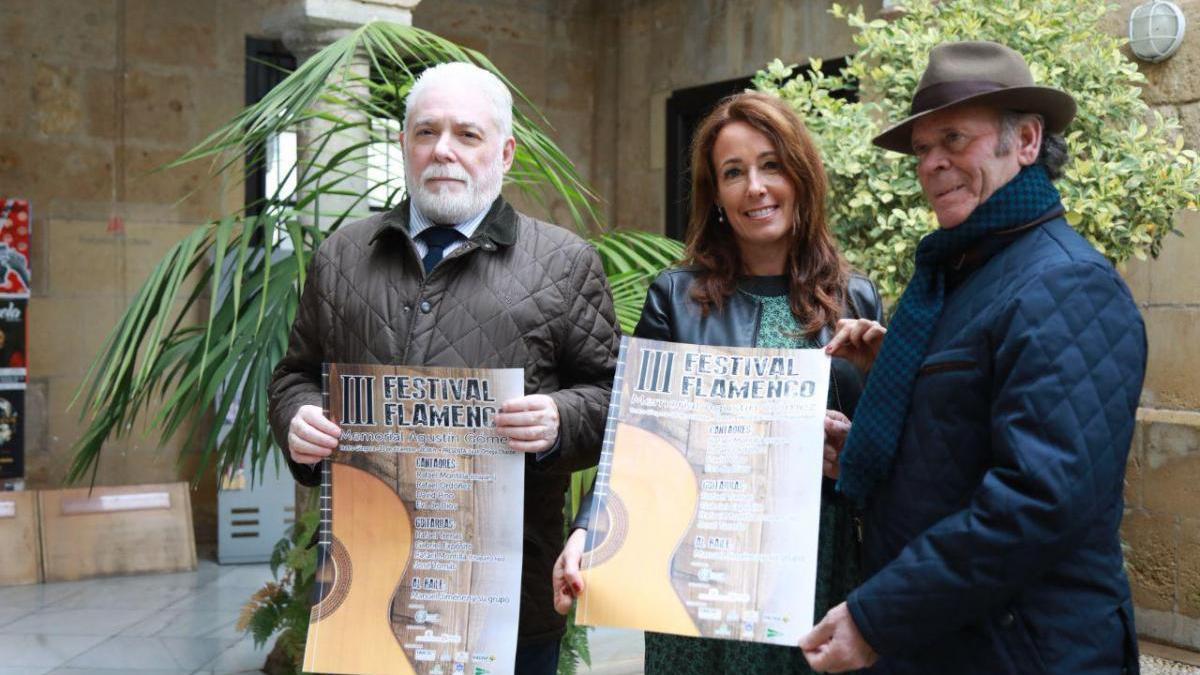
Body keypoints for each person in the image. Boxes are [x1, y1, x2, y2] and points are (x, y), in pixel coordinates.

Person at [800, 41, 1147, 674]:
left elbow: (1037, 500)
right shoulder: (959, 274)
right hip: (953, 640)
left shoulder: (1066, 285)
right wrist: (878, 423)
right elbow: (963, 443)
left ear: (1027, 141)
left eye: (954, 139)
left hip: (1023, 650)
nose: (933, 164)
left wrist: (878, 617)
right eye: (922, 150)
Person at [267, 61, 619, 674]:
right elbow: (294, 373)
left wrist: (562, 418)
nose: (443, 151)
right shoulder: (343, 256)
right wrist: (296, 418)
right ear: (404, 145)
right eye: (426, 133)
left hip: (505, 596)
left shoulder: (565, 263)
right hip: (371, 585)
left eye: (468, 135)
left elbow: (615, 400)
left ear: (505, 152)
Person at [552, 91, 884, 674]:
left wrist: (855, 438)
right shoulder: (675, 297)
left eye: (771, 165)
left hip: (808, 571)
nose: (755, 186)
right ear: (718, 196)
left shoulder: (854, 298)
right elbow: (635, 441)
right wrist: (588, 531)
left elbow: (880, 447)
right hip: (694, 572)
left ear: (800, 176)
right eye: (734, 172)